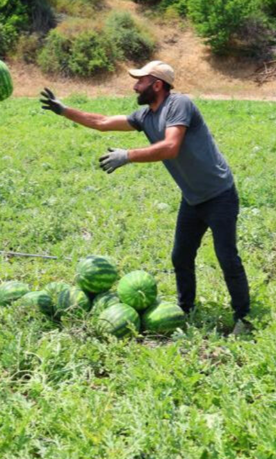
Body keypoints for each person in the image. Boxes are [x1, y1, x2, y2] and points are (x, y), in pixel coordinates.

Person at [40, 61, 252, 335]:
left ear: (157, 84)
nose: (134, 86)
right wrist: (64, 109)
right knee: (181, 256)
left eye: (140, 81)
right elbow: (103, 122)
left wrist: (127, 155)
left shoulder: (179, 104)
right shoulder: (145, 116)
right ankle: (185, 308)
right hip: (193, 198)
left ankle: (244, 318)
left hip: (219, 194)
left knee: (227, 257)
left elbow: (171, 146)